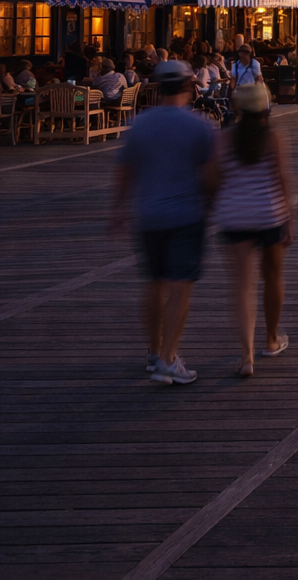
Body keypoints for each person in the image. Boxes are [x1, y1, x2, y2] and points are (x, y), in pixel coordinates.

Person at [112, 61, 216, 385]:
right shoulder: (199, 125)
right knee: (179, 288)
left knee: (153, 284)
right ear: (189, 87)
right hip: (186, 214)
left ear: (157, 88)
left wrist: (117, 210)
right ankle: (169, 361)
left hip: (148, 215)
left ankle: (154, 352)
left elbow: (125, 171)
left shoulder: (140, 124)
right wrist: (209, 206)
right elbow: (210, 176)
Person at [213, 84, 295, 377]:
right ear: (266, 108)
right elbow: (283, 179)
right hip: (269, 214)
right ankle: (271, 340)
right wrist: (290, 220)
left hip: (235, 217)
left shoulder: (223, 140)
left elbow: (215, 179)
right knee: (272, 276)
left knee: (242, 287)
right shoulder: (274, 138)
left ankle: (247, 356)